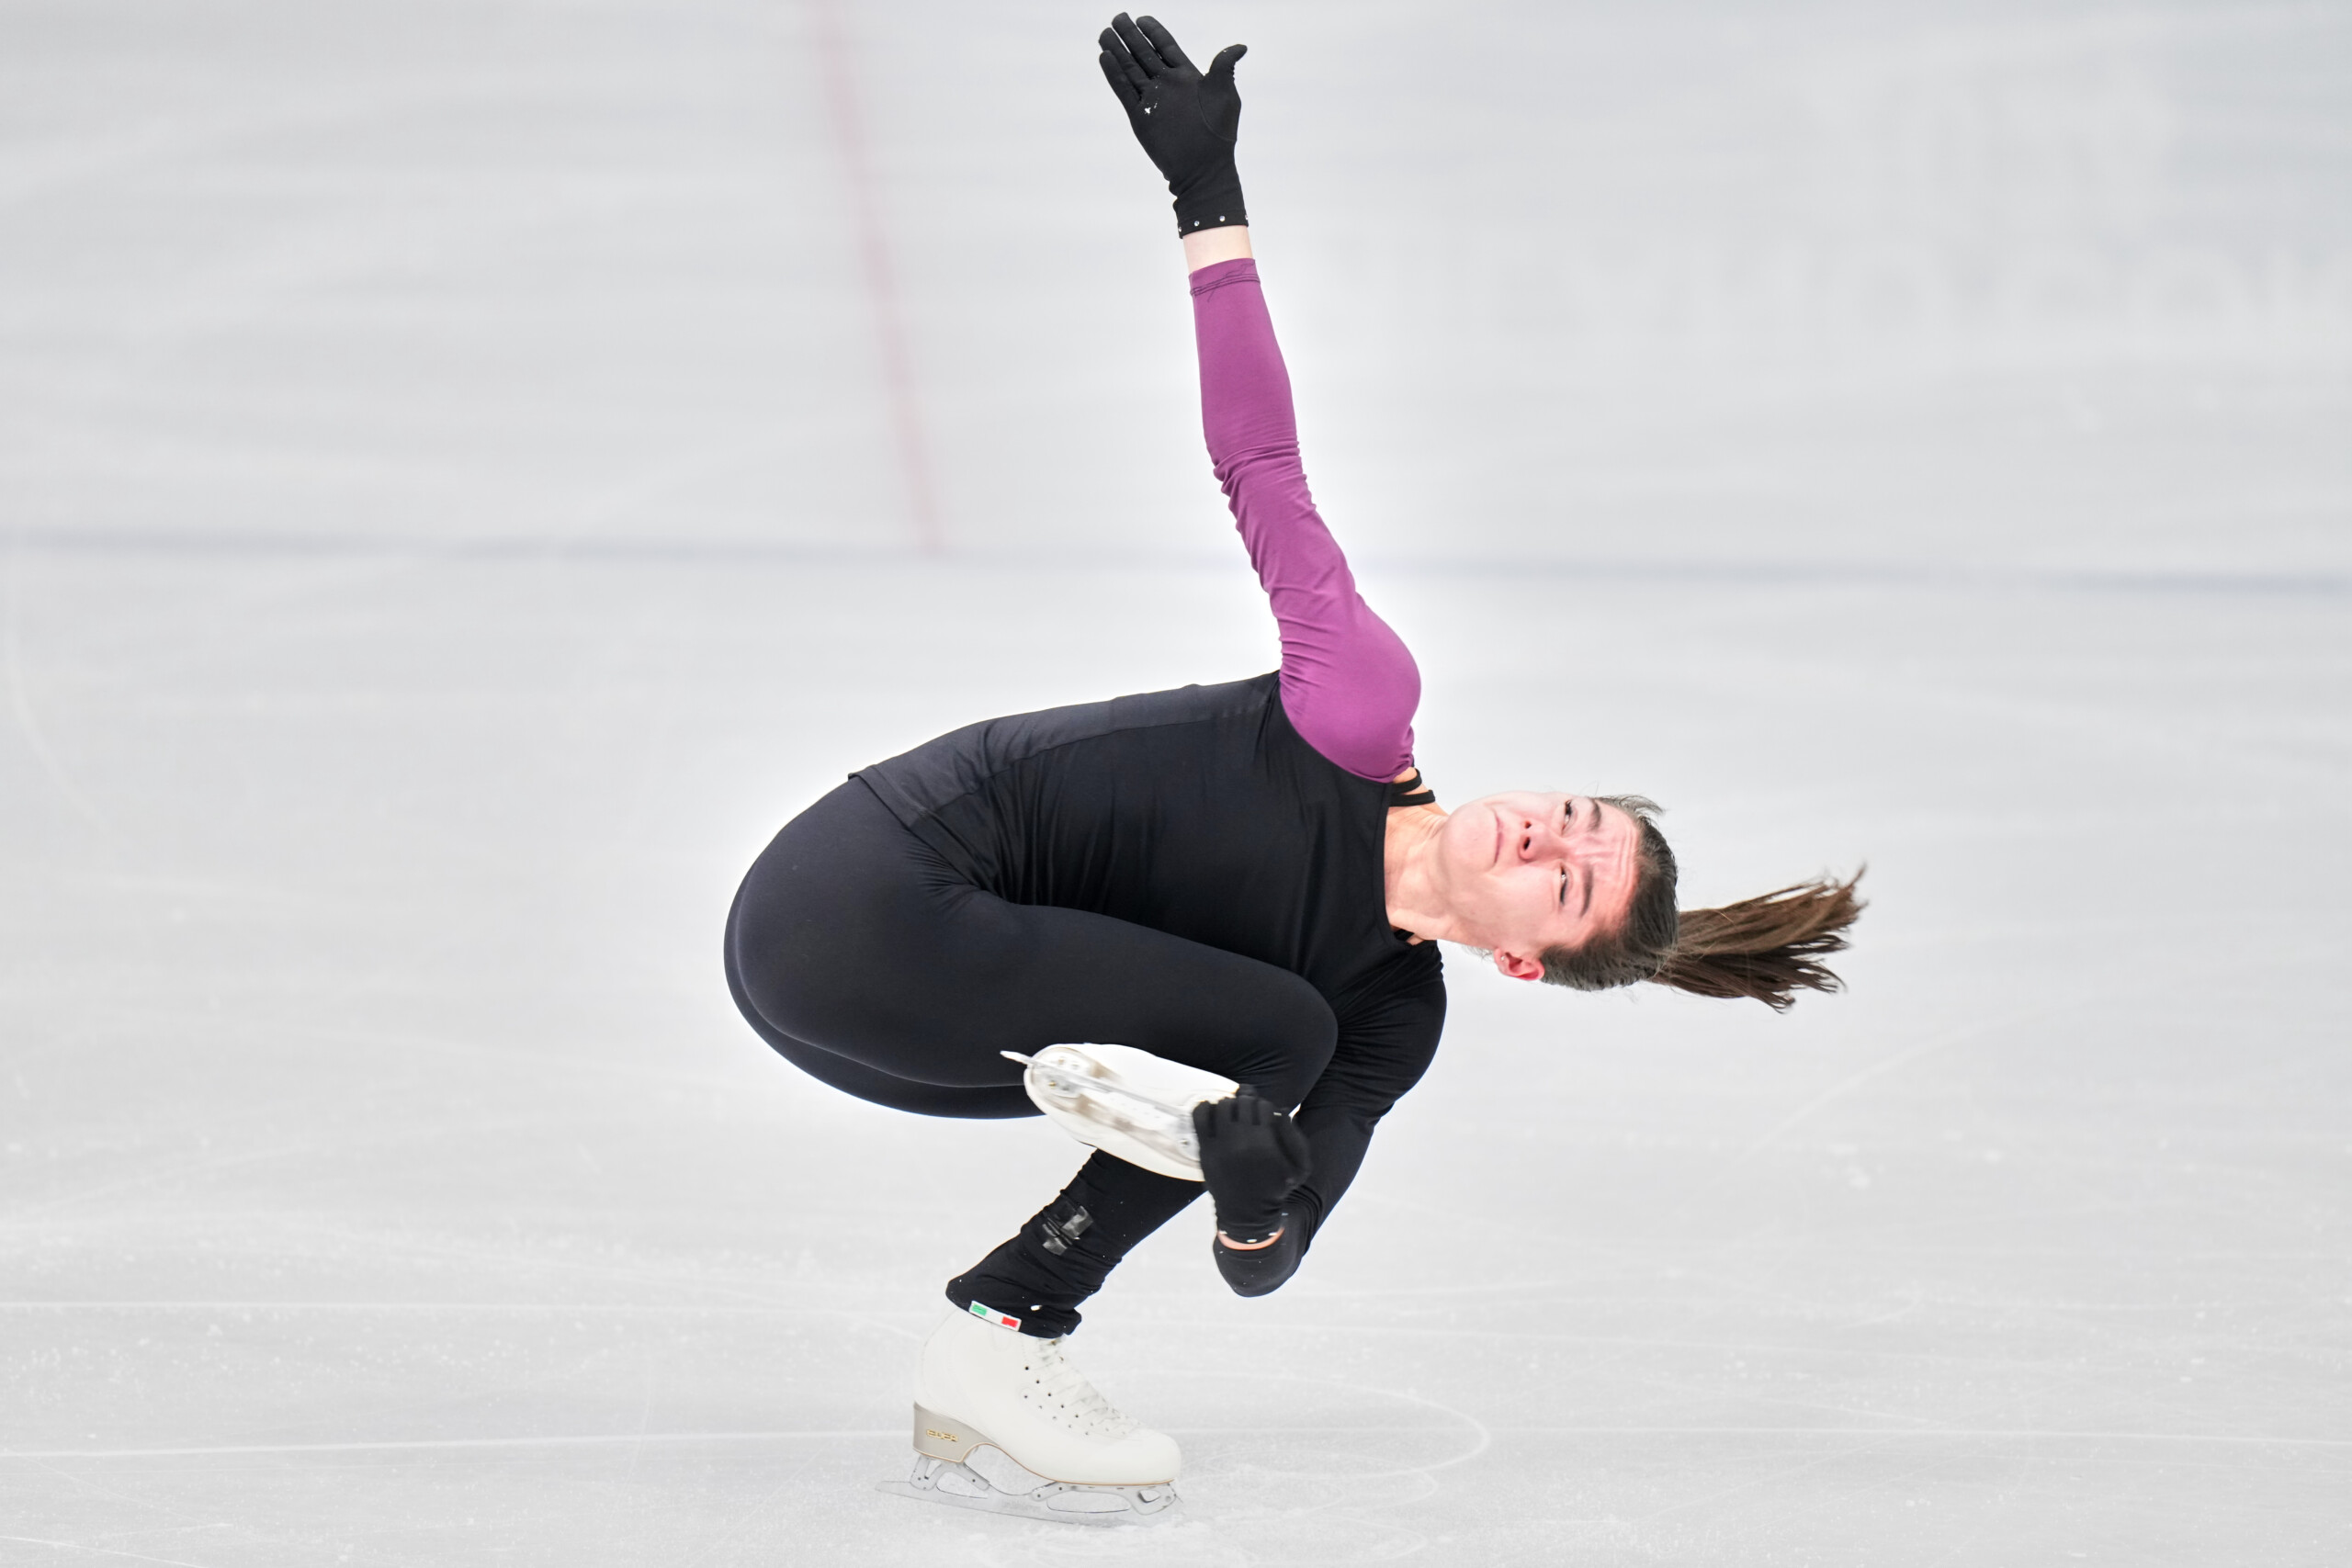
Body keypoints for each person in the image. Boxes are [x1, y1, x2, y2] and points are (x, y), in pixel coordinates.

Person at [724, 13, 1862, 1527]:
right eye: (1576, 814)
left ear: (1526, 964)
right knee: (1276, 1025)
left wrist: (1257, 1204)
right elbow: (1264, 464)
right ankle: (1011, 1336)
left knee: (1279, 1061)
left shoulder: (1396, 1018)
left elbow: (1277, 1250)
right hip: (855, 897)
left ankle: (1001, 1333)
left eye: (1565, 881)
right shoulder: (1359, 717)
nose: (1544, 830)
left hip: (892, 1047)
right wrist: (1208, 201)